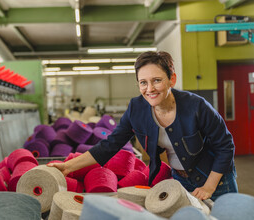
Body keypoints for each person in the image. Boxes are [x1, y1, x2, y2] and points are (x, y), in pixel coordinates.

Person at [48, 51, 238, 201]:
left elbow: (225, 146)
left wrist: (209, 186)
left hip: (216, 179)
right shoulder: (136, 109)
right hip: (181, 180)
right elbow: (110, 145)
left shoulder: (197, 107)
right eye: (143, 83)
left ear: (172, 79)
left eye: (157, 80)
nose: (150, 89)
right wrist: (67, 167)